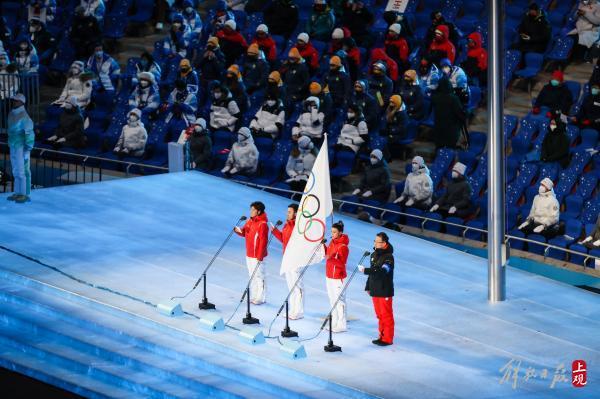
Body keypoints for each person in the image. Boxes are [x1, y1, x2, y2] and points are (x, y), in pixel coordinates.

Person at [358, 232, 395, 346]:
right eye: (374, 241)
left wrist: (366, 270)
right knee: (379, 315)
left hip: (384, 290)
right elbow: (372, 274)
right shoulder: (373, 255)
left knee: (386, 316)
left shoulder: (389, 257)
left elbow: (383, 271)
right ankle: (382, 336)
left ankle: (387, 339)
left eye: (377, 241)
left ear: (384, 243)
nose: (375, 243)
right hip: (375, 290)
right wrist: (368, 286)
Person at [271, 204, 304, 319]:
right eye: (287, 212)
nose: (287, 214)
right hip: (286, 258)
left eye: (289, 212)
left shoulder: (298, 227)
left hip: (295, 259)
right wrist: (274, 231)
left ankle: (299, 311)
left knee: (297, 286)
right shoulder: (287, 225)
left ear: (295, 213)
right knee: (291, 286)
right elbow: (283, 240)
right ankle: (292, 310)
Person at [234, 201, 269, 304]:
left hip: (257, 256)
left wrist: (260, 256)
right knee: (252, 275)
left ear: (258, 211)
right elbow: (244, 232)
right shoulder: (249, 221)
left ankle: (261, 297)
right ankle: (254, 295)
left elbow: (263, 241)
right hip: (249, 254)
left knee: (259, 276)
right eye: (251, 209)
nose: (251, 211)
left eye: (253, 210)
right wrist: (237, 230)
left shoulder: (262, 224)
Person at [7, 94, 34, 204]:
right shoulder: (11, 113)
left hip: (21, 146)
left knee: (22, 170)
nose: (14, 102)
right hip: (13, 144)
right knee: (15, 170)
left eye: (17, 101)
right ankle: (17, 192)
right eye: (14, 100)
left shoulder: (24, 116)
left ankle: (24, 194)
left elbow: (29, 133)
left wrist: (28, 148)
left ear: (22, 102)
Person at [323, 221, 349, 333]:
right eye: (331, 232)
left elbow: (342, 264)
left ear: (340, 233)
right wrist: (323, 245)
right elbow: (328, 254)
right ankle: (334, 321)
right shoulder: (332, 243)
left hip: (339, 277)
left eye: (334, 232)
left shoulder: (343, 247)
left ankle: (342, 325)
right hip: (329, 275)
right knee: (332, 300)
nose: (332, 234)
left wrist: (330, 258)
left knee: (340, 302)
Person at [431, 78, 465, 149]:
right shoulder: (453, 98)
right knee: (450, 150)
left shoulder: (434, 97)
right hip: (451, 130)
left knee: (439, 148)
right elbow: (460, 114)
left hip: (438, 129)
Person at [381, 95, 409, 159]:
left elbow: (402, 128)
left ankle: (386, 156)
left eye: (393, 103)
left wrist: (391, 130)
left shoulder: (402, 114)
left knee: (385, 140)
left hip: (399, 134)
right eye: (390, 102)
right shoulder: (389, 109)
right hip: (390, 130)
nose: (391, 104)